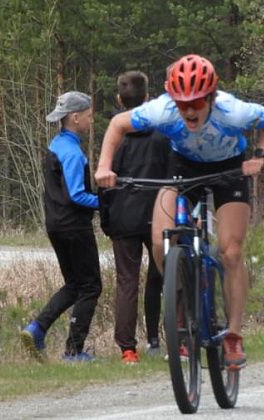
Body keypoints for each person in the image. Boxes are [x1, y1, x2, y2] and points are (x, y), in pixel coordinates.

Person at [95, 54, 264, 371]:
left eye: (196, 102)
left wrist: (260, 157)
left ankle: (234, 334)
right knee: (159, 240)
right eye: (182, 103)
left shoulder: (232, 111)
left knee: (231, 251)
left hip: (228, 171)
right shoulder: (162, 109)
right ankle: (181, 291)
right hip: (183, 169)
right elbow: (117, 124)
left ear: (210, 97)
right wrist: (103, 166)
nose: (189, 111)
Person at [21, 91, 102, 362]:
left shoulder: (55, 144)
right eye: (89, 116)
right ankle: (74, 351)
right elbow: (77, 195)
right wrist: (105, 202)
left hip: (55, 224)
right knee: (91, 286)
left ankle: (36, 328)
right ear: (75, 117)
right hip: (75, 227)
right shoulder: (73, 154)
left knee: (74, 284)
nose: (91, 121)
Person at [99, 71, 170, 364]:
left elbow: (103, 181)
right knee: (165, 276)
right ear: (148, 97)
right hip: (158, 213)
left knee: (127, 282)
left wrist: (107, 220)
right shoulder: (162, 133)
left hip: (124, 216)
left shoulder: (114, 135)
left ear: (119, 98)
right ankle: (165, 338)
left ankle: (128, 349)